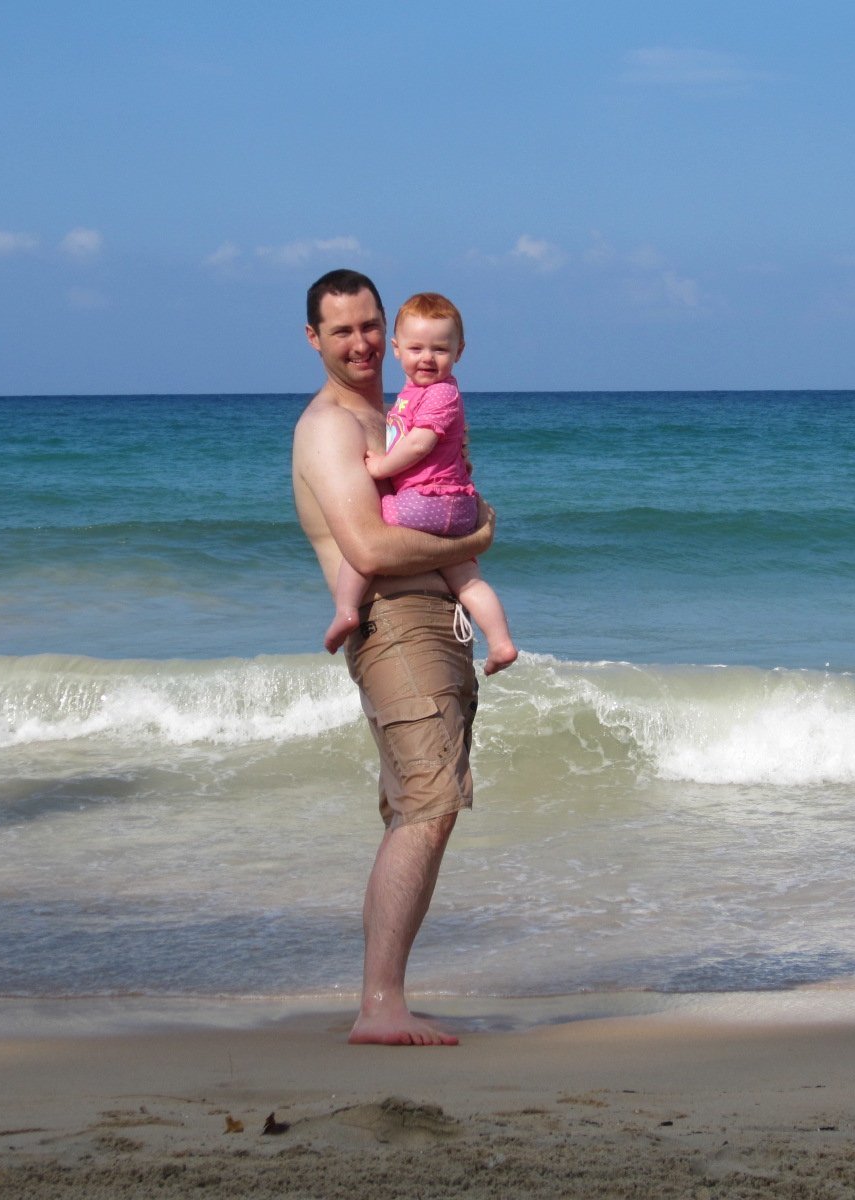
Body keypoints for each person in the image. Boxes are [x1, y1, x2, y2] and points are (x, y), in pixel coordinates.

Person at [292, 268, 496, 1046]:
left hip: (430, 620)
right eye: (341, 330)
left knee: (418, 808)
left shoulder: (402, 408)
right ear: (313, 340)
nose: (361, 342)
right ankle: (380, 1006)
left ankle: (384, 997)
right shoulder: (331, 428)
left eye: (370, 324)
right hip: (392, 622)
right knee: (430, 804)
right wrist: (475, 536)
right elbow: (370, 546)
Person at [322, 292, 517, 675]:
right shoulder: (415, 395)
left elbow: (419, 442)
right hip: (454, 507)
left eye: (439, 349)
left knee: (364, 537)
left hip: (428, 502)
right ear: (396, 349)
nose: (426, 358)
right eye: (416, 348)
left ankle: (346, 610)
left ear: (459, 351)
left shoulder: (442, 393)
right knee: (468, 580)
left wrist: (380, 468)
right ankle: (502, 643)